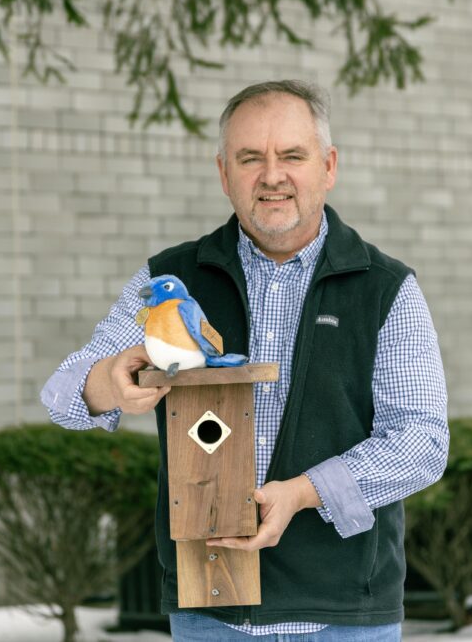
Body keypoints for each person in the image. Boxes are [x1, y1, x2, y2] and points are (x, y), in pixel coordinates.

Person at [41, 80, 449, 640]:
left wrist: (303, 493)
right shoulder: (172, 280)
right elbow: (61, 393)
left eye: (292, 156)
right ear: (224, 174)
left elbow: (421, 443)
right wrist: (109, 383)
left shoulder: (386, 289)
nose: (272, 175)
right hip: (208, 610)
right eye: (250, 158)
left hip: (345, 615)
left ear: (328, 167)